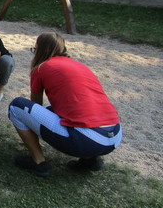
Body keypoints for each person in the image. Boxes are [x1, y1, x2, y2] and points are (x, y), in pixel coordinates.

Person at [8, 32, 123, 177]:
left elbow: (35, 104)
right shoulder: (80, 66)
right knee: (59, 111)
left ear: (42, 50)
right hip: (114, 137)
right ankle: (90, 159)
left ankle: (38, 162)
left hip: (87, 139)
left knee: (17, 106)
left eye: (35, 49)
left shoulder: (42, 67)